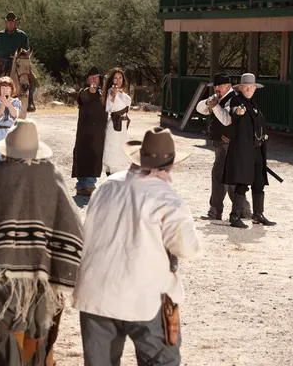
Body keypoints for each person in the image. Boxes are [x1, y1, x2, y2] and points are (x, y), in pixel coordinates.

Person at [73, 127, 200, 366]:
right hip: (145, 295)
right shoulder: (168, 199)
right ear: (169, 164)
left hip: (96, 292)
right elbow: (188, 249)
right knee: (162, 360)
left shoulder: (108, 185)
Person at [0, 119, 84, 365]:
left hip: (5, 270)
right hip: (43, 270)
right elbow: (71, 220)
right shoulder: (50, 173)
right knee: (39, 331)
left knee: (6, 333)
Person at [223, 73, 276, 228]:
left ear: (254, 88)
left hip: (257, 149)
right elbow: (233, 111)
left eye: (251, 86)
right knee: (242, 182)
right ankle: (234, 216)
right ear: (240, 88)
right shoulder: (237, 100)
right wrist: (237, 113)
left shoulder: (253, 103)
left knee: (259, 182)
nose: (248, 88)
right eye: (245, 86)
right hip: (243, 149)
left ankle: (258, 214)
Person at [196, 72, 251, 221]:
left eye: (220, 85)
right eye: (216, 86)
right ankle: (243, 210)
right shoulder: (218, 98)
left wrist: (215, 107)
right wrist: (209, 103)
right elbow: (199, 108)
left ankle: (216, 212)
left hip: (229, 143)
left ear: (228, 86)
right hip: (221, 143)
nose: (217, 88)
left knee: (220, 176)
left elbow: (227, 121)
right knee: (229, 179)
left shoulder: (233, 100)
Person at [0, 12, 37, 111]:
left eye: (12, 22)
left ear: (15, 23)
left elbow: (26, 52)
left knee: (33, 80)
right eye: (8, 22)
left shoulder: (22, 35)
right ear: (5, 22)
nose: (10, 24)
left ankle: (30, 101)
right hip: (2, 61)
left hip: (18, 62)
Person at [72, 66, 108, 196]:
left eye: (96, 78)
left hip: (98, 132)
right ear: (87, 79)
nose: (94, 80)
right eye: (92, 78)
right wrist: (90, 90)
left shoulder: (104, 93)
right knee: (83, 156)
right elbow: (85, 96)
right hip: (85, 132)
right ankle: (82, 185)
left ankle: (90, 184)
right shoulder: (84, 91)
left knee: (95, 157)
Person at [102, 67, 131, 176]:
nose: (118, 80)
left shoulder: (125, 95)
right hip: (114, 126)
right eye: (115, 78)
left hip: (123, 127)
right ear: (112, 80)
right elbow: (111, 100)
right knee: (113, 155)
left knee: (121, 153)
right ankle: (111, 182)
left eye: (120, 78)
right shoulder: (111, 91)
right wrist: (113, 93)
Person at [0, 76, 21, 161]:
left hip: (11, 133)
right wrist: (3, 103)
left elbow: (14, 114)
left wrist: (8, 104)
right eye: (3, 88)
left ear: (11, 89)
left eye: (8, 88)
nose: (5, 90)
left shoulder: (16, 102)